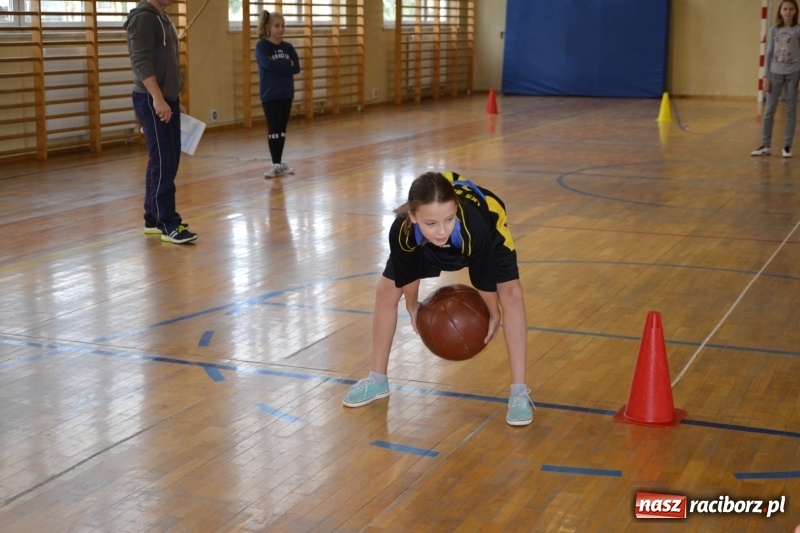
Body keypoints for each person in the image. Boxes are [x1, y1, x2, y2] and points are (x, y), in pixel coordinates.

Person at [342, 171, 535, 426]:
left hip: (486, 235)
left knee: (512, 294)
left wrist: (494, 313)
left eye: (448, 219)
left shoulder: (471, 224)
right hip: (425, 245)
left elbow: (483, 278)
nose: (442, 230)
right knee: (385, 290)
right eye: (431, 222)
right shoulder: (402, 230)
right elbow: (407, 272)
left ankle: (519, 392)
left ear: (456, 209)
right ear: (412, 216)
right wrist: (413, 307)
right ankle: (377, 380)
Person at [124, 0, 197, 244]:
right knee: (164, 160)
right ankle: (168, 223)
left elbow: (168, 60)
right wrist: (157, 98)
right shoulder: (143, 18)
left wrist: (173, 98)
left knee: (167, 158)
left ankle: (153, 218)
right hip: (150, 99)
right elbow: (141, 61)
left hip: (167, 99)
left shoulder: (163, 17)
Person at [752, 0, 800, 158]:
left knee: (791, 110)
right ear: (780, 11)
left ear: (795, 12)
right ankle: (765, 145)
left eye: (791, 9)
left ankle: (787, 146)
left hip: (794, 74)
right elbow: (769, 53)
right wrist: (765, 76)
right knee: (769, 110)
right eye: (785, 9)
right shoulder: (774, 30)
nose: (787, 12)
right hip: (775, 73)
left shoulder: (798, 30)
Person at [255, 11, 301, 179]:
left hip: (286, 92)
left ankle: (279, 162)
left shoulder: (288, 47)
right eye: (277, 26)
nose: (281, 29)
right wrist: (285, 64)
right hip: (270, 94)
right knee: (274, 128)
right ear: (268, 27)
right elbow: (267, 64)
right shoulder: (262, 46)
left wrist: (280, 65)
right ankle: (275, 163)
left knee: (282, 129)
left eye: (282, 26)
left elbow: (296, 67)